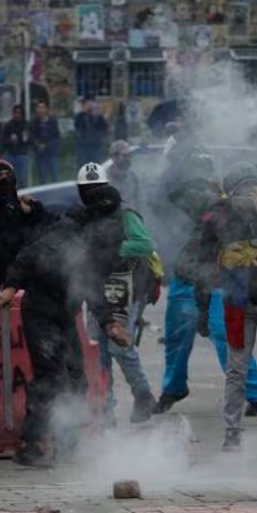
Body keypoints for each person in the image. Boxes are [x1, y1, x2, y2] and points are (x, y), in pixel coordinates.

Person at [0, 164, 131, 467]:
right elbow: (31, 254)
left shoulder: (105, 238)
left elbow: (93, 285)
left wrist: (109, 323)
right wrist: (10, 286)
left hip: (66, 315)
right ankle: (32, 445)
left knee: (77, 379)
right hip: (41, 312)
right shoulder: (69, 230)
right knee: (50, 378)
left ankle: (68, 444)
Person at [152, 151, 257, 416]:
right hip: (187, 277)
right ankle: (172, 389)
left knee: (226, 336)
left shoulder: (240, 208)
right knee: (177, 338)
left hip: (216, 282)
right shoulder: (201, 199)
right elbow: (167, 197)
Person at [196, 163, 257, 450]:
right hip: (239, 303)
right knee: (238, 370)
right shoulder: (218, 216)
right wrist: (203, 310)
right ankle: (233, 436)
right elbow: (204, 265)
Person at [83, 165, 162, 425]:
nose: (94, 194)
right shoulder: (85, 218)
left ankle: (143, 395)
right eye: (88, 190)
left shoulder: (126, 215)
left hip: (129, 285)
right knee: (98, 349)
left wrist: (117, 248)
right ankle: (105, 409)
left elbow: (145, 243)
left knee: (120, 346)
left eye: (98, 188)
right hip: (97, 287)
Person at [0, 156, 57, 281]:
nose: (4, 178)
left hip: (23, 276)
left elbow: (54, 224)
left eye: (7, 174)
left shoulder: (21, 207)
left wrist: (34, 210)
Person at [102, 140, 141, 208]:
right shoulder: (103, 179)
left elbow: (139, 203)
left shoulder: (133, 178)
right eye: (125, 155)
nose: (128, 159)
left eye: (130, 155)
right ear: (114, 157)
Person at [31, 101, 61, 185]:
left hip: (52, 153)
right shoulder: (34, 122)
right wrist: (37, 144)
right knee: (43, 178)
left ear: (46, 109)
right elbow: (31, 136)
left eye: (42, 107)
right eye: (38, 108)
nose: (40, 110)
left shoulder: (52, 121)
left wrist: (46, 145)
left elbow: (56, 137)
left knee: (55, 177)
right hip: (41, 155)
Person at [74, 96, 109, 167]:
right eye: (86, 104)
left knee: (95, 167)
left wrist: (96, 116)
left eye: (89, 104)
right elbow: (77, 127)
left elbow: (104, 128)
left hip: (95, 147)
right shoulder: (80, 116)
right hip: (83, 147)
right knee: (82, 167)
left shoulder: (98, 117)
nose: (88, 106)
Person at [1, 104, 31, 188]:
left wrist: (27, 138)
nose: (17, 114)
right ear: (13, 114)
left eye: (19, 113)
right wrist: (10, 141)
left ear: (22, 114)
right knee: (9, 178)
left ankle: (24, 196)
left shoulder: (27, 125)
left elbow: (31, 139)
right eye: (16, 113)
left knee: (22, 178)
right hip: (11, 154)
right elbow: (2, 140)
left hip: (22, 154)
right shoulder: (8, 125)